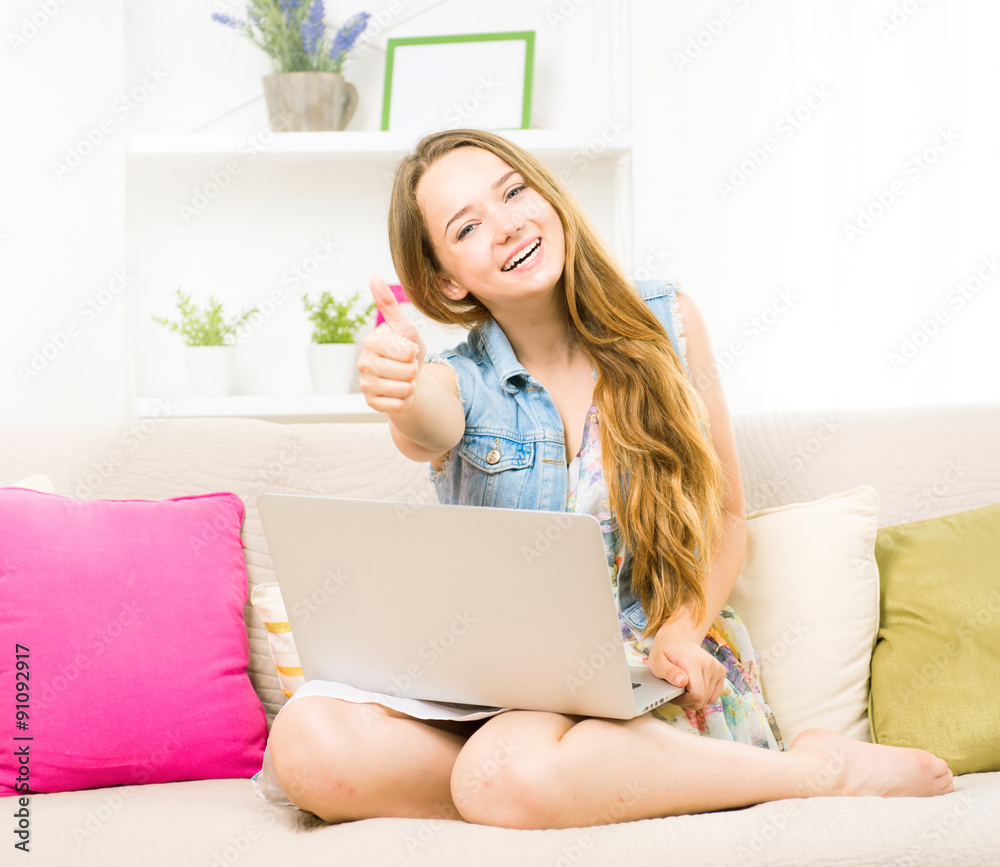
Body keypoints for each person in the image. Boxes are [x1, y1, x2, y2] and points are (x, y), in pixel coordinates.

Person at [258, 128, 954, 830]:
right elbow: (424, 424)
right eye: (468, 227)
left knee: (502, 764)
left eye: (513, 192)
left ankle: (814, 772)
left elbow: (724, 516)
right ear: (446, 279)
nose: (507, 226)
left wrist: (683, 630)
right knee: (307, 741)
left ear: (546, 196)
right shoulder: (458, 381)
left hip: (648, 664)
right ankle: (534, 787)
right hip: (495, 690)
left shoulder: (667, 321)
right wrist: (399, 383)